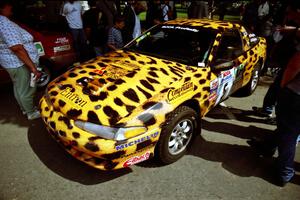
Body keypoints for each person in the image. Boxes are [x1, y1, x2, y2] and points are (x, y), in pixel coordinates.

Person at [248, 28, 300, 187]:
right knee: (290, 128)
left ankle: (285, 172)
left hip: (296, 95)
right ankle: (268, 146)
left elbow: (293, 67)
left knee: (289, 133)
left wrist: (283, 87)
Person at [0, 1, 41, 120]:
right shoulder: (4, 23)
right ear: (2, 7)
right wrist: (33, 68)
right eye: (8, 4)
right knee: (27, 89)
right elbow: (17, 47)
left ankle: (24, 108)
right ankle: (31, 112)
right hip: (19, 63)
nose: (11, 6)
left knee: (19, 87)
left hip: (12, 63)